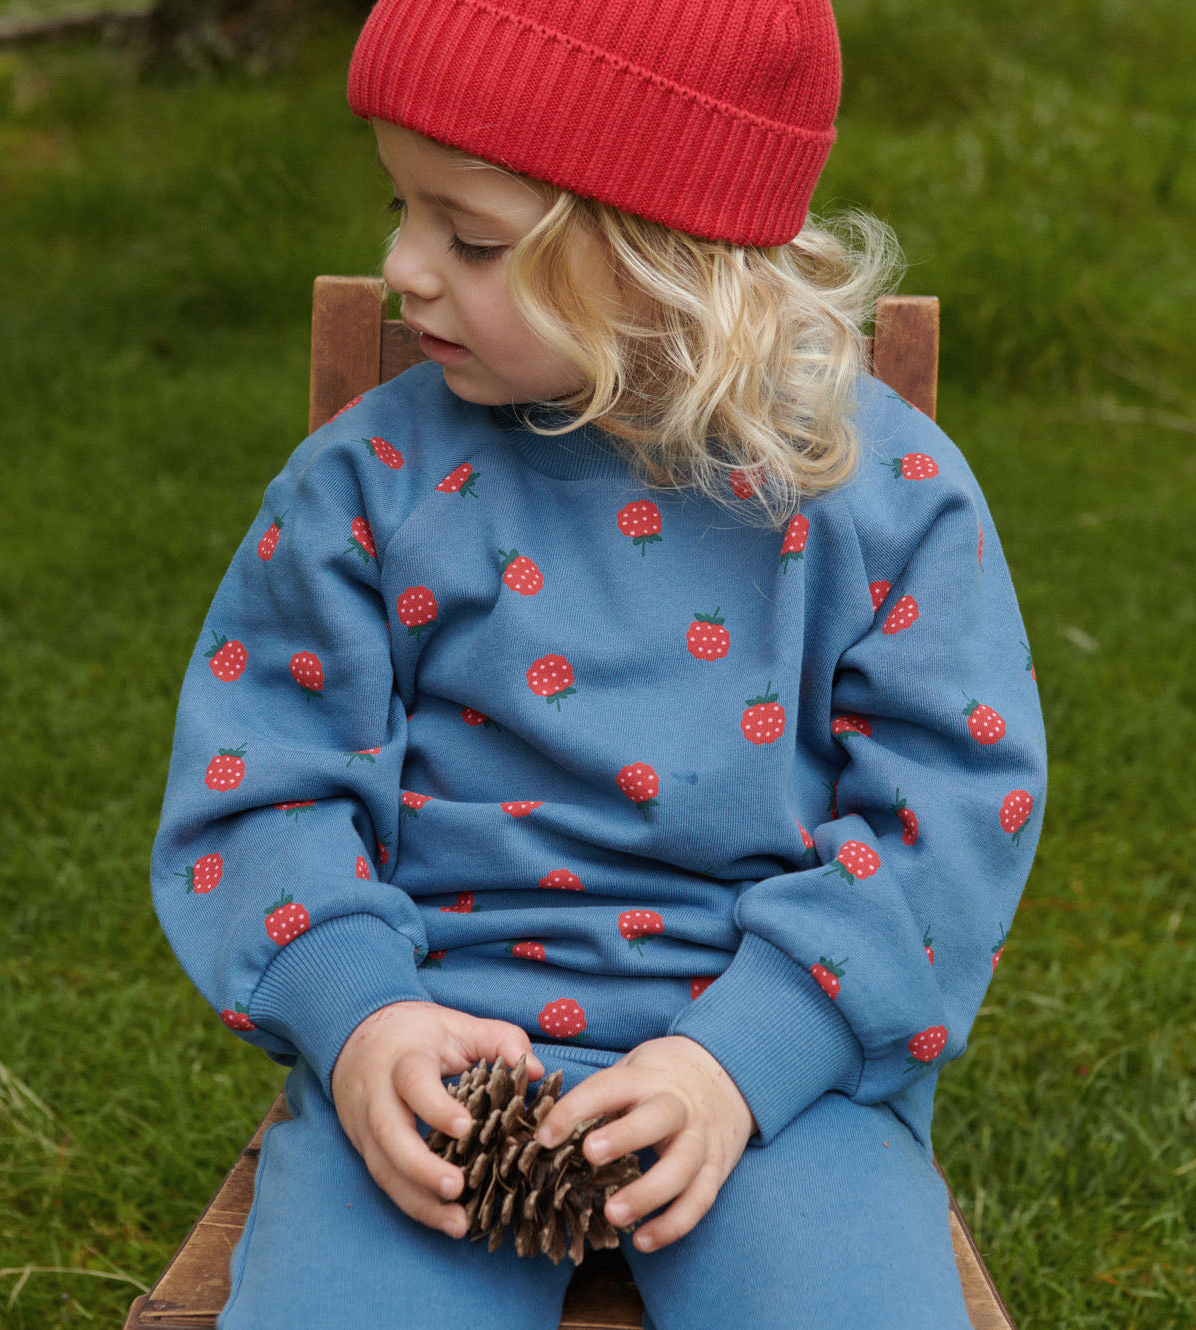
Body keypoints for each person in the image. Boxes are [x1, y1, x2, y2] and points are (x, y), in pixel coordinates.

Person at [150, 0, 1046, 1325]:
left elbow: (951, 818)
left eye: (469, 237)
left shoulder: (877, 491)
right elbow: (263, 780)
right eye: (399, 207)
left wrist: (748, 1056)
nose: (402, 267)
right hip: (440, 1067)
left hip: (779, 1081)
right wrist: (361, 1019)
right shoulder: (367, 484)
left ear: (660, 257)